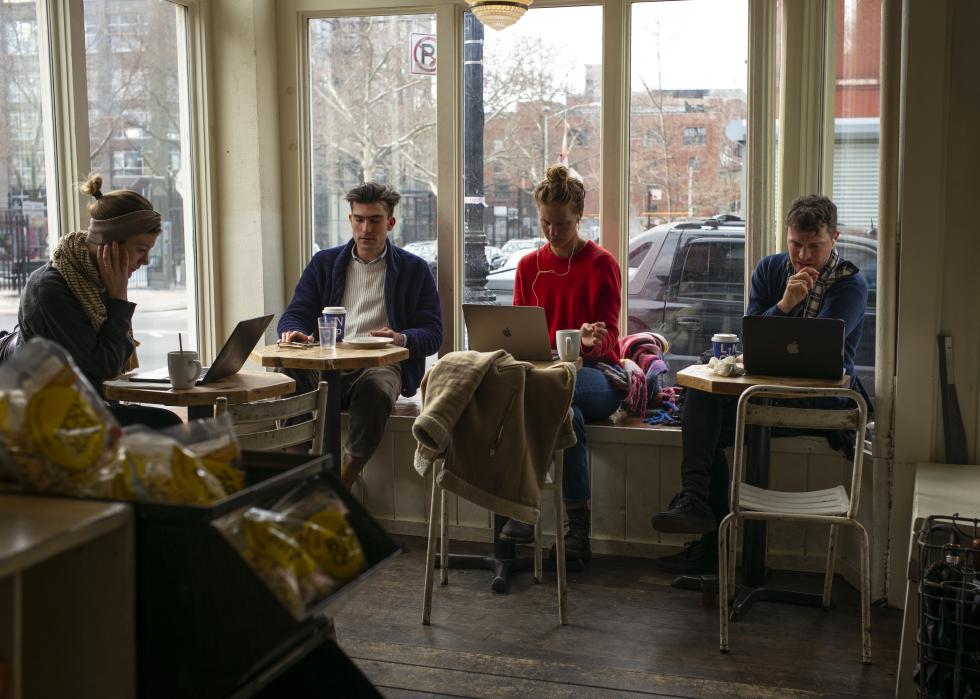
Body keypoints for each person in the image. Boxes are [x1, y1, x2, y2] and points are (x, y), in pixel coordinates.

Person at [649, 194, 869, 575]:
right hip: (760, 388)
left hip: (822, 398)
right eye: (795, 244)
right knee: (701, 402)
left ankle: (706, 536)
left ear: (834, 237)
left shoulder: (849, 284)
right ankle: (697, 505)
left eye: (814, 246)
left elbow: (815, 353)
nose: (802, 256)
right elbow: (753, 340)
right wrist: (784, 304)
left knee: (705, 428)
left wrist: (789, 310)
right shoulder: (770, 270)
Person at [278, 182, 442, 488]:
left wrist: (400, 338)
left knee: (376, 389)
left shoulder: (414, 269)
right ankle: (297, 471)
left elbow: (433, 334)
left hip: (379, 364)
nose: (366, 228)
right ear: (350, 219)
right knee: (288, 369)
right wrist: (293, 331)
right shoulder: (324, 264)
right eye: (359, 219)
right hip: (327, 362)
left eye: (375, 220)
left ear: (390, 223)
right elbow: (295, 312)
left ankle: (346, 477)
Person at [500, 165, 627, 561]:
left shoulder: (600, 263)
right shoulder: (528, 266)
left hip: (600, 374)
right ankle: (578, 533)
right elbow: (519, 332)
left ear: (579, 217)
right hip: (547, 378)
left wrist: (590, 342)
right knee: (563, 410)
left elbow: (609, 337)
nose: (553, 232)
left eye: (563, 224)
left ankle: (525, 505)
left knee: (558, 395)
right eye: (546, 223)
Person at [17, 174, 182, 429]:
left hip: (86, 401)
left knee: (166, 423)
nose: (146, 261)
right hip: (51, 418)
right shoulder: (50, 290)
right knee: (166, 424)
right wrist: (118, 300)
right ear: (111, 245)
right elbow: (106, 366)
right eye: (140, 249)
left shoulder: (94, 280)